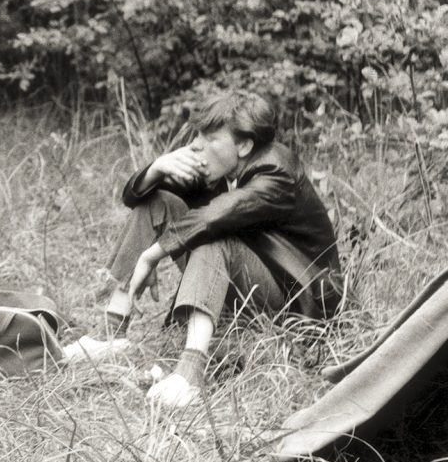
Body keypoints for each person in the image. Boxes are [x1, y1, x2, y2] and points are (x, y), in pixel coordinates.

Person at [65, 90, 341, 410]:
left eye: (210, 138)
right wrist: (156, 168)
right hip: (249, 284)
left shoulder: (277, 171)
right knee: (156, 203)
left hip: (294, 301)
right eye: (198, 135)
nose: (196, 145)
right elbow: (136, 199)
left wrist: (151, 255)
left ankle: (189, 376)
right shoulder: (220, 167)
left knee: (214, 238)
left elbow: (214, 217)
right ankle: (112, 333)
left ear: (243, 145)